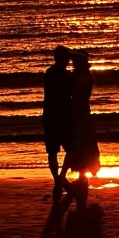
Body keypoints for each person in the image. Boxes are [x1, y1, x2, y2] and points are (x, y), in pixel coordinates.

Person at [62, 49, 101, 205]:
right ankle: (81, 177)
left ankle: (81, 177)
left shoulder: (83, 77)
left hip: (81, 113)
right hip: (80, 113)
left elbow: (76, 94)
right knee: (82, 144)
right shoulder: (81, 75)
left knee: (82, 144)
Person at [42, 45, 73, 195]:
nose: (69, 60)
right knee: (71, 149)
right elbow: (68, 95)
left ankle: (58, 180)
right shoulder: (64, 76)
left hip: (50, 116)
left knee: (53, 151)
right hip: (62, 117)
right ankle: (60, 178)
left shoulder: (49, 73)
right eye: (67, 57)